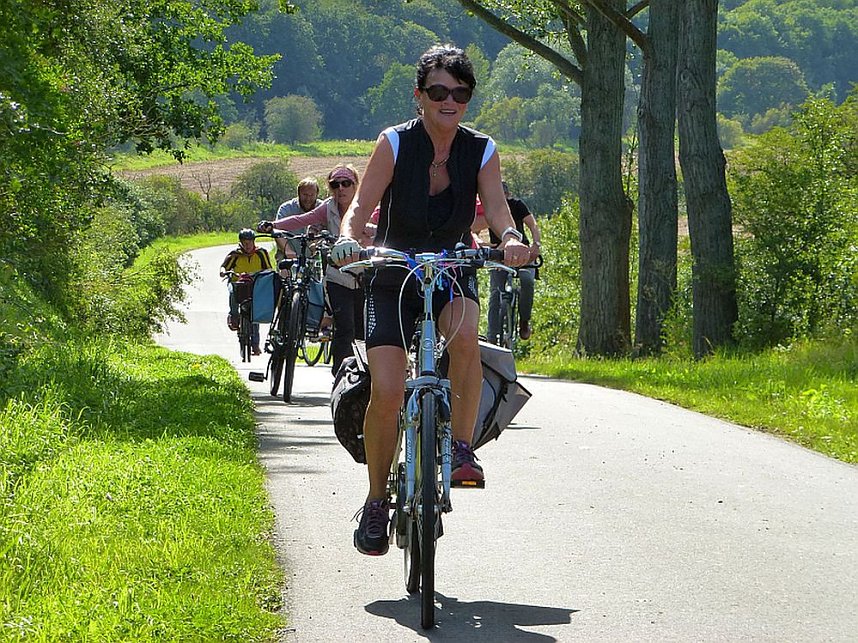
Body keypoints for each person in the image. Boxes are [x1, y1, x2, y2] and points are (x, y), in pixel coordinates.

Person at [329, 44, 531, 556]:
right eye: (439, 91)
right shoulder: (394, 143)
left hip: (451, 268)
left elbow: (500, 211)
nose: (450, 101)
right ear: (419, 95)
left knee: (465, 334)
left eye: (460, 93)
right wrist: (350, 239)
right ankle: (377, 501)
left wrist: (508, 240)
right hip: (393, 271)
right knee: (390, 390)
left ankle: (461, 450)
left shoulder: (481, 149)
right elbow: (359, 210)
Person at [258, 165, 371, 376]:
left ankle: (363, 377)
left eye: (346, 183)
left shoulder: (367, 206)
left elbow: (384, 226)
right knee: (345, 328)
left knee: (362, 330)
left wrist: (371, 234)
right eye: (335, 184)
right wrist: (272, 225)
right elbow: (300, 220)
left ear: (356, 185)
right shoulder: (328, 208)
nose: (341, 189)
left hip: (364, 276)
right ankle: (340, 376)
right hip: (338, 275)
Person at [473, 181, 542, 342]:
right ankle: (491, 337)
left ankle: (524, 321)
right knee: (495, 294)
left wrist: (535, 245)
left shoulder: (517, 205)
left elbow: (532, 224)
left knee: (527, 281)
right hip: (499, 256)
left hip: (521, 254)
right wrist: (482, 245)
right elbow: (474, 231)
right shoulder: (488, 210)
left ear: (507, 195)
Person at [219, 229, 273, 355]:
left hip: (255, 285)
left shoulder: (261, 253)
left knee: (255, 312)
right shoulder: (235, 254)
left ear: (254, 242)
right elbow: (224, 266)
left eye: (250, 242)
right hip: (238, 283)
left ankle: (255, 344)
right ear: (241, 243)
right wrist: (223, 272)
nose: (247, 245)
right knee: (233, 292)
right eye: (245, 242)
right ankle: (234, 316)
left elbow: (268, 269)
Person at [274, 177, 323, 259]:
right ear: (298, 193)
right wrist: (287, 250)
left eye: (311, 195)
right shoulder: (286, 208)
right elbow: (277, 231)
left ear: (317, 194)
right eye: (305, 195)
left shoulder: (323, 208)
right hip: (290, 256)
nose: (308, 199)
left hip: (317, 256)